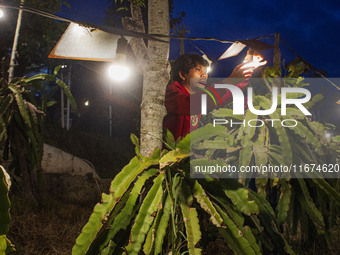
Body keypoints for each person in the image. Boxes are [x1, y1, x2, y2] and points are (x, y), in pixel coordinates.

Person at [163, 53, 256, 141]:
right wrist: (230, 80)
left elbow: (227, 94)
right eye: (198, 70)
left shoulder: (200, 95)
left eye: (205, 71)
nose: (204, 75)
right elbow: (193, 103)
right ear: (183, 75)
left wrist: (246, 69)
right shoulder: (172, 92)